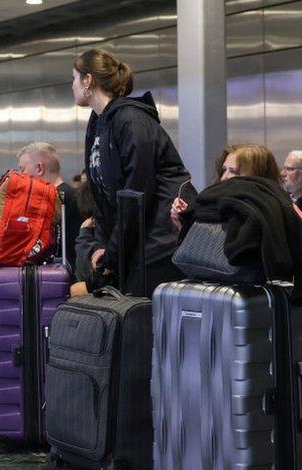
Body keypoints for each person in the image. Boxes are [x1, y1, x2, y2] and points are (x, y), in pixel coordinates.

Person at [73, 48, 189, 297]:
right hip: (130, 248)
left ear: (88, 80)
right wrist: (100, 247)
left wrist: (112, 255)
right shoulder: (98, 122)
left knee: (143, 328)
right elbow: (104, 199)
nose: (71, 86)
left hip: (155, 249)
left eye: (74, 78)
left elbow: (136, 194)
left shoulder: (131, 120)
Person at [170, 144, 302, 242]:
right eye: (224, 170)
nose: (225, 177)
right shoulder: (219, 208)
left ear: (257, 176)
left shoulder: (285, 211)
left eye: (234, 171)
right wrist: (185, 222)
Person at [16, 142, 80, 268]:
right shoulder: (72, 195)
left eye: (22, 169)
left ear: (40, 168)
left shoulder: (57, 199)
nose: (20, 176)